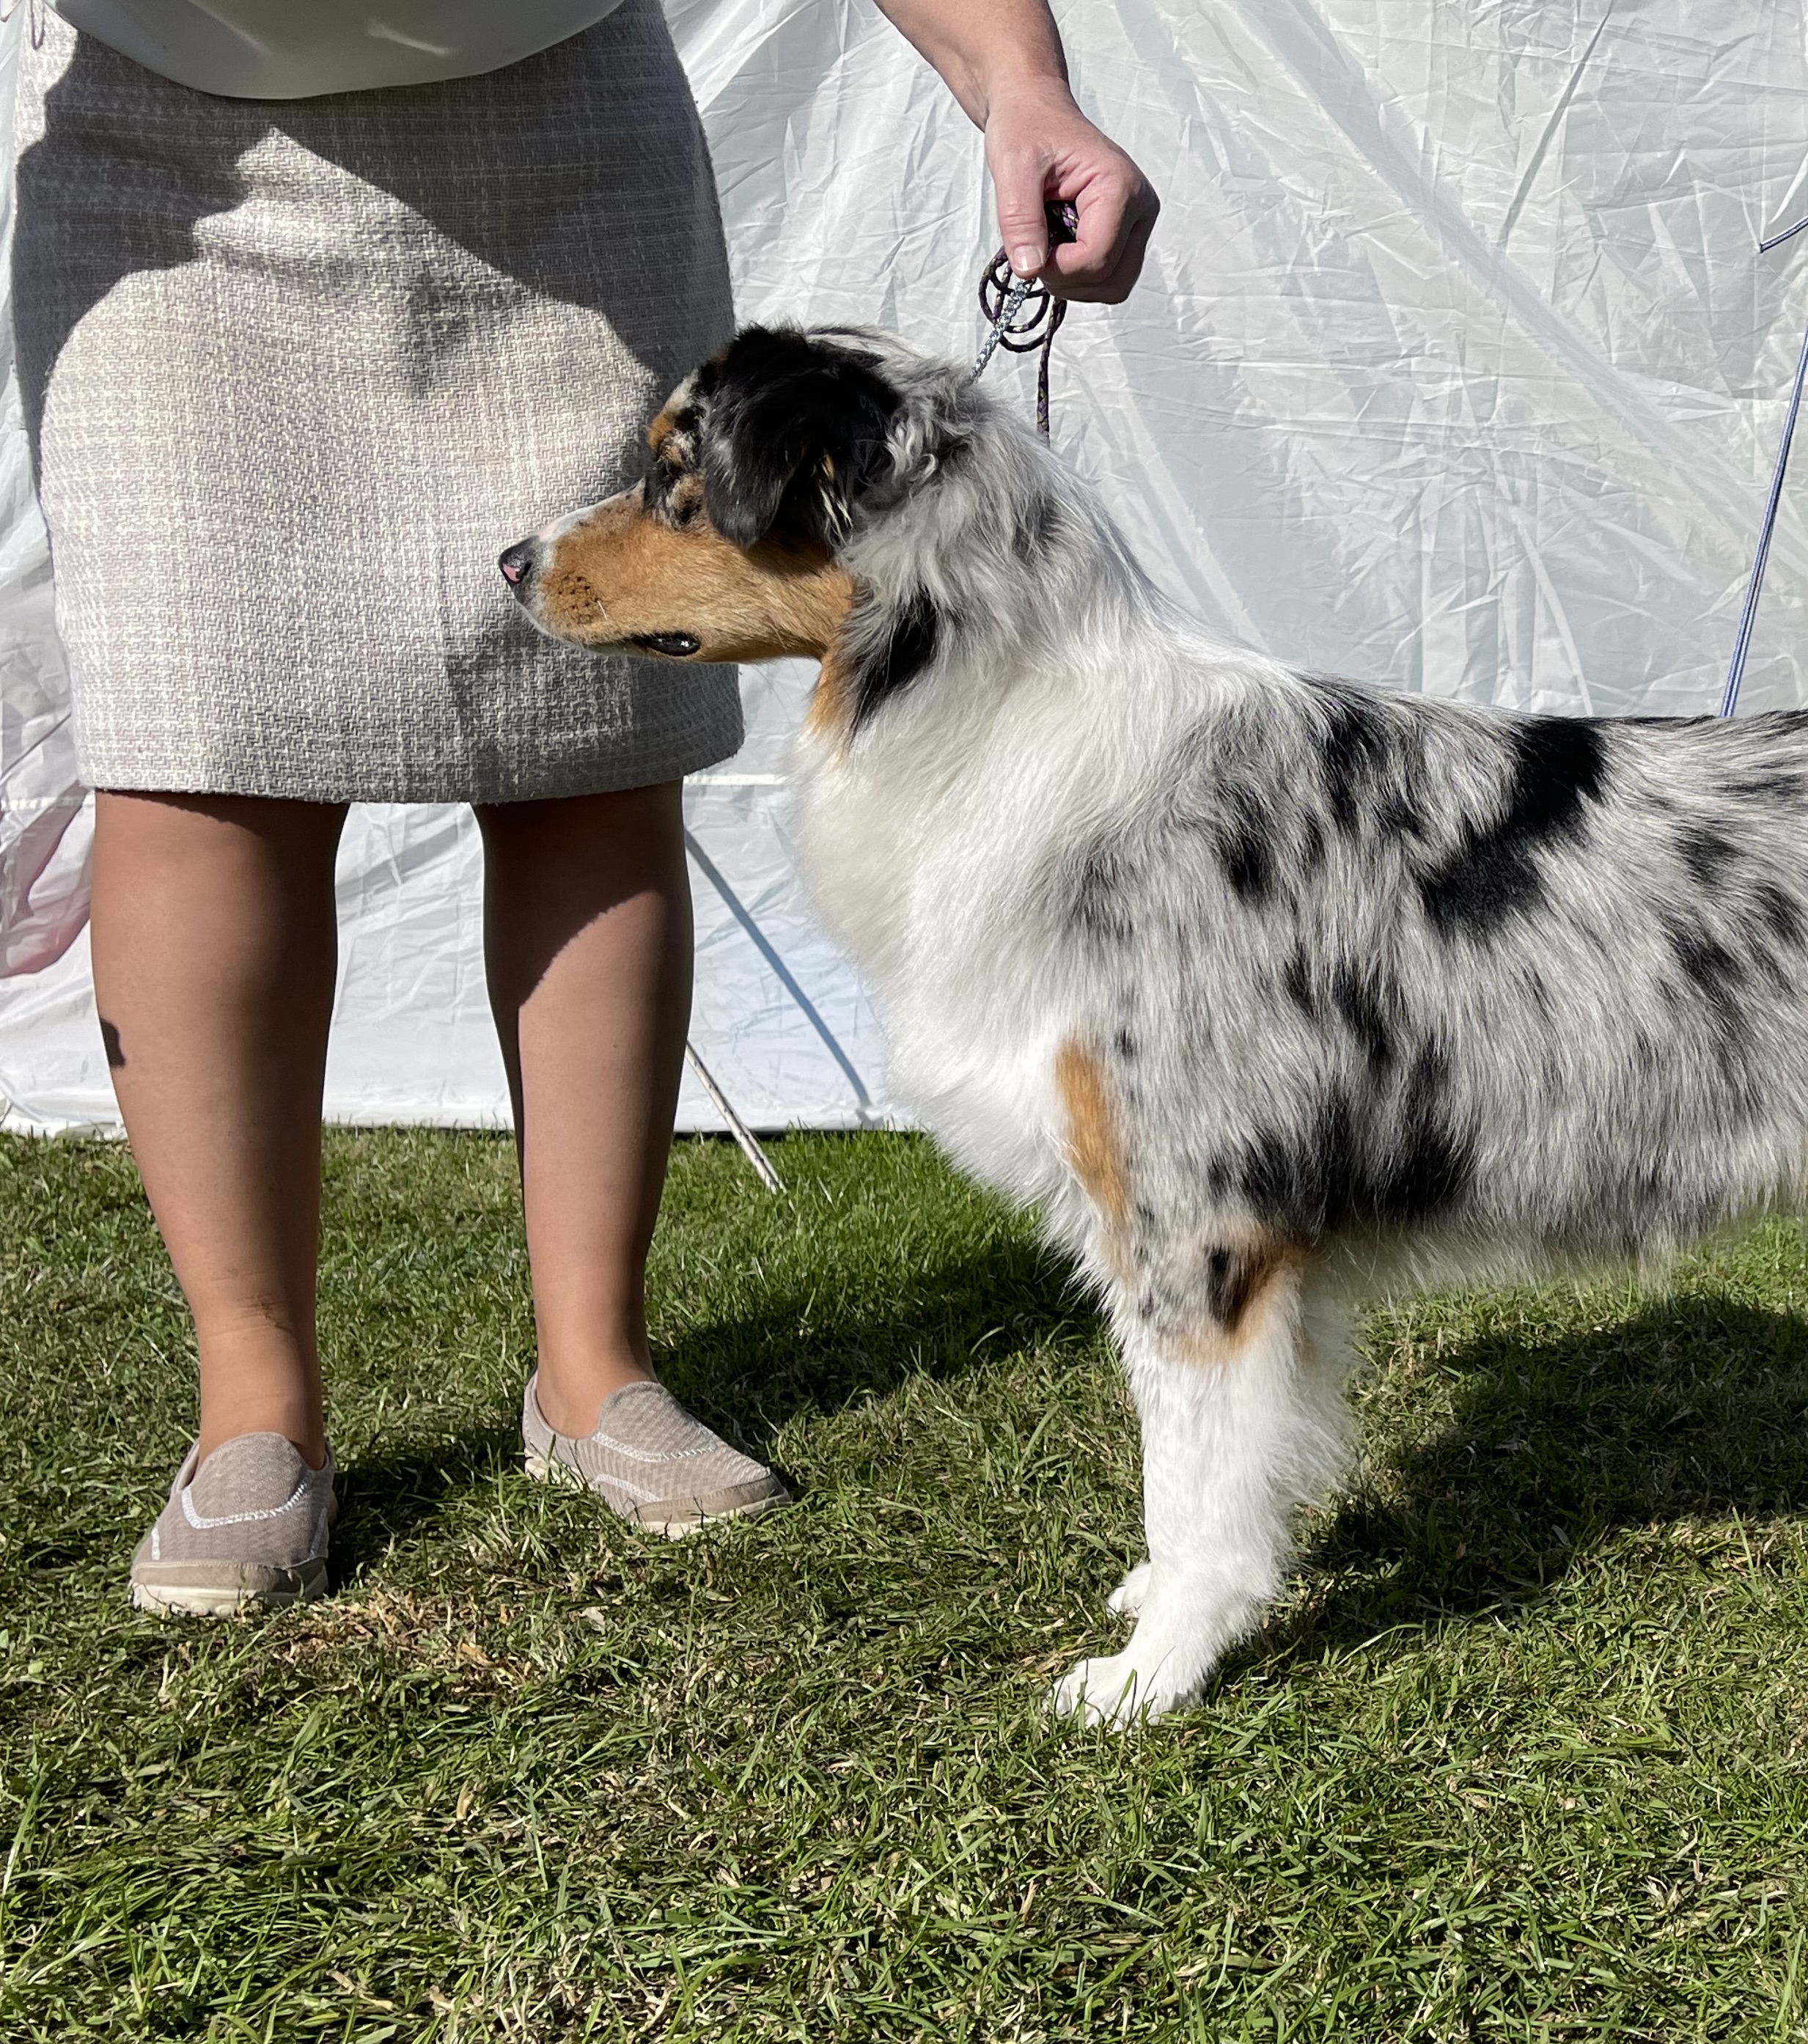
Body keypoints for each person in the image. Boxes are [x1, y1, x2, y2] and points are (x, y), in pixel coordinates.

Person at [16, 0, 1157, 1614]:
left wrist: (1018, 83)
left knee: (589, 747)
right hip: (167, 173)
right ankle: (251, 1405)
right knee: (201, 754)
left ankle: (593, 1369)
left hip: (562, 150)